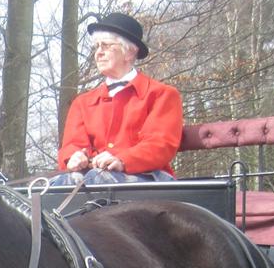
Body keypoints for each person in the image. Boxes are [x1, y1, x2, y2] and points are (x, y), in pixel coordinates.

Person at [53, 12, 183, 186]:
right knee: (46, 187)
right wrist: (73, 157)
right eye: (96, 47)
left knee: (94, 180)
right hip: (92, 177)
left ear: (130, 52)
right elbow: (73, 144)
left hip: (148, 177)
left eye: (106, 46)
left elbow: (160, 144)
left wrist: (122, 159)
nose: (98, 53)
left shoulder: (161, 94)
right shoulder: (82, 103)